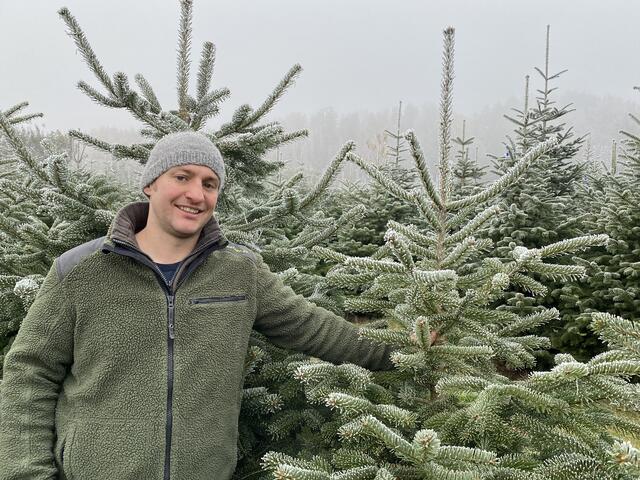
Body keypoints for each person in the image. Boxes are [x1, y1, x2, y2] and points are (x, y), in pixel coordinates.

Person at [0, 131, 410, 480]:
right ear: (151, 184)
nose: (196, 194)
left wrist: (410, 353)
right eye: (183, 176)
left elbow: (312, 326)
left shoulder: (240, 271)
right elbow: (29, 372)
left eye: (210, 183)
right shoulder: (80, 271)